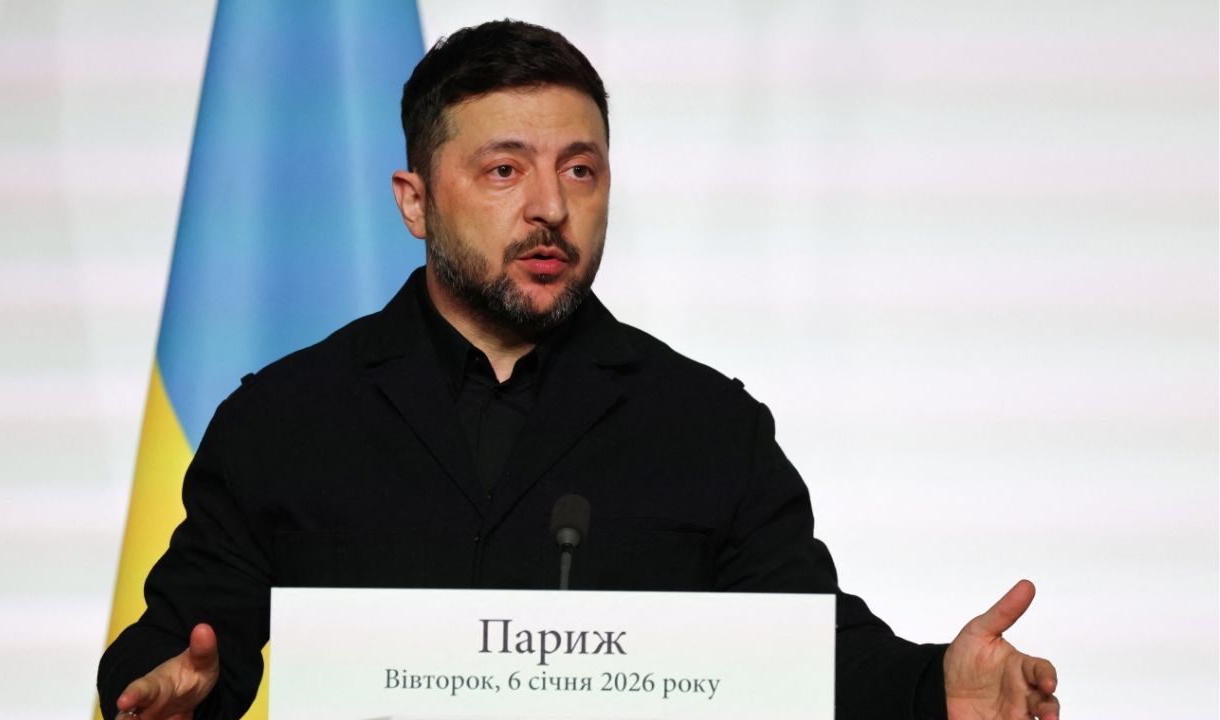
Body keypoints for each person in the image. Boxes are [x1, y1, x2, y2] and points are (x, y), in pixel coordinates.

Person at [97, 19, 1060, 720]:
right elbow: (187, 640)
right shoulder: (288, 418)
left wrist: (939, 685)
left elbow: (803, 649)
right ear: (415, 200)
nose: (551, 207)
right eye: (505, 170)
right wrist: (152, 686)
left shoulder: (705, 425)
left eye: (582, 170)